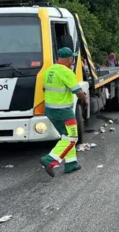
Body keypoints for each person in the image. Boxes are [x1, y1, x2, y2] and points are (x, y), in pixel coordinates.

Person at [39, 47, 88, 177]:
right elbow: (78, 92)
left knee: (65, 136)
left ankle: (71, 164)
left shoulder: (48, 70)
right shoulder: (67, 72)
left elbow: (45, 89)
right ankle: (50, 160)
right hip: (63, 112)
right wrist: (85, 99)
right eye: (72, 59)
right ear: (70, 59)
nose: (72, 62)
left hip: (50, 111)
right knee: (72, 137)